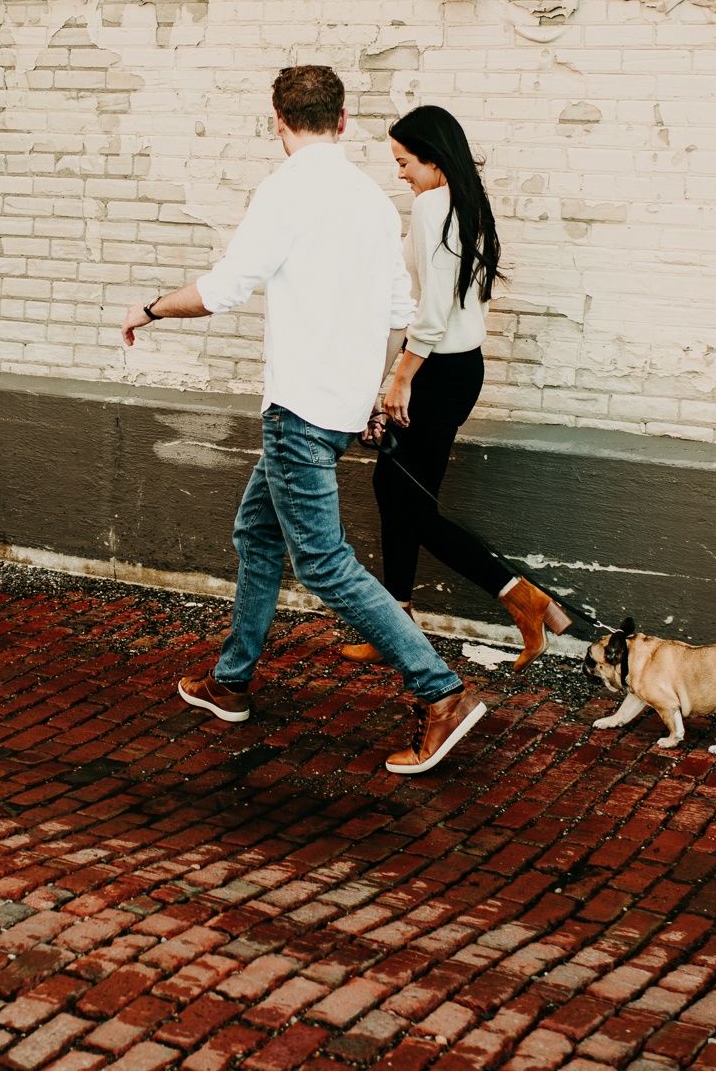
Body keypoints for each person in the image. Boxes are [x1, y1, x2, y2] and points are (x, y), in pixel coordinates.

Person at [120, 66, 487, 776]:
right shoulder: (376, 203)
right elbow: (397, 311)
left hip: (298, 409)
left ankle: (439, 691)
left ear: (279, 123)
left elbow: (224, 289)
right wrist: (378, 393)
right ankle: (231, 681)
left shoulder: (284, 190)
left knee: (323, 561)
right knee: (257, 531)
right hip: (342, 406)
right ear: (344, 121)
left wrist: (152, 307)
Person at [349, 105, 573, 670]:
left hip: (436, 371)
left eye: (404, 162)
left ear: (432, 157)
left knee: (412, 505)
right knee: (396, 493)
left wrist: (400, 376)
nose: (400, 174)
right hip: (458, 368)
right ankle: (394, 622)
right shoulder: (469, 205)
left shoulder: (432, 206)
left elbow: (434, 308)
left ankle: (524, 598)